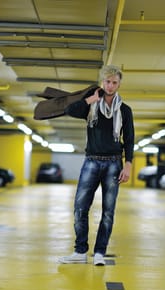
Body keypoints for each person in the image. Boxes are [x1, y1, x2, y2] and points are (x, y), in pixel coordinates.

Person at [58, 65, 135, 266]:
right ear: (102, 82)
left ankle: (100, 252)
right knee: (80, 207)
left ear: (119, 84)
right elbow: (69, 110)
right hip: (91, 161)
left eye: (114, 82)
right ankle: (80, 251)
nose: (110, 86)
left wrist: (128, 164)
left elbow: (129, 139)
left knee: (108, 211)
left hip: (113, 164)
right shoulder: (91, 106)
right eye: (107, 82)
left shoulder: (125, 110)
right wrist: (89, 100)